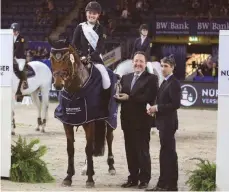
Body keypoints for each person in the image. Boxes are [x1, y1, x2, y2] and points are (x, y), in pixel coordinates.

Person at [115, 51, 158, 189]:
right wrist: (117, 97)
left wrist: (129, 98)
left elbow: (148, 97)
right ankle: (132, 177)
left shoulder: (152, 79)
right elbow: (121, 95)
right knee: (130, 151)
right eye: (136, 61)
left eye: (141, 61)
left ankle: (144, 179)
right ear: (132, 62)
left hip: (142, 121)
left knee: (142, 151)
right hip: (127, 121)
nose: (138, 64)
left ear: (145, 64)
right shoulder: (125, 78)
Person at [146, 54, 181, 191]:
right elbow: (163, 102)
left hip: (168, 124)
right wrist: (154, 110)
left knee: (168, 153)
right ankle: (167, 184)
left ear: (172, 67)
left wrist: (157, 108)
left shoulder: (174, 83)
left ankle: (168, 185)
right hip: (163, 123)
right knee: (166, 153)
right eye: (162, 66)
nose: (163, 68)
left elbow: (175, 104)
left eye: (166, 66)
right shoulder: (165, 81)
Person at [71, 1, 111, 91]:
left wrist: (89, 57)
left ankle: (106, 99)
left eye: (94, 13)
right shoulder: (80, 27)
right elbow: (74, 45)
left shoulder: (101, 29)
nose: (91, 15)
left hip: (95, 60)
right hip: (80, 60)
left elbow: (100, 47)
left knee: (106, 80)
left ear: (98, 15)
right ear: (86, 13)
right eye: (90, 13)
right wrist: (81, 56)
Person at [11, 23, 28, 93]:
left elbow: (23, 46)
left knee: (21, 68)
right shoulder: (9, 37)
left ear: (18, 31)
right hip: (12, 58)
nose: (14, 32)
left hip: (20, 58)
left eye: (15, 31)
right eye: (13, 30)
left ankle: (25, 81)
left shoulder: (22, 38)